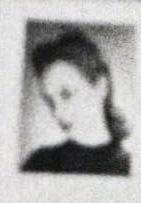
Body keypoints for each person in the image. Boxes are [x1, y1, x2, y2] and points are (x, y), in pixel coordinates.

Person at [23, 27, 131, 176]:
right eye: (50, 101)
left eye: (66, 94)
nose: (58, 113)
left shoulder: (130, 168)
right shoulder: (39, 163)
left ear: (101, 87)